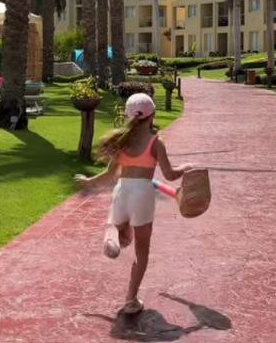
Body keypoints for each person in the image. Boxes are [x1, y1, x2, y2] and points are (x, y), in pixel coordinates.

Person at [75, 92, 190, 315]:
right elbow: (170, 174)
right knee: (142, 249)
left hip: (122, 190)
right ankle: (130, 299)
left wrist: (88, 181)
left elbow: (109, 174)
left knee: (120, 230)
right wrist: (184, 167)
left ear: (129, 115)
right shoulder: (156, 142)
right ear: (152, 115)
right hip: (143, 193)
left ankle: (113, 237)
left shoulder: (122, 141)